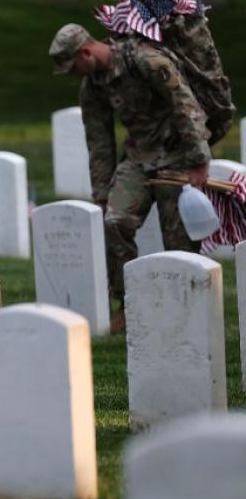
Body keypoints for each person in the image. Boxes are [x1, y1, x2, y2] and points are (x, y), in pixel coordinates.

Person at [49, 23, 212, 331]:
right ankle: (129, 304)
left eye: (73, 67)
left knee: (178, 240)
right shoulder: (93, 87)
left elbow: (186, 106)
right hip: (139, 157)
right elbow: (99, 140)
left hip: (177, 154)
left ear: (86, 51)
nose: (74, 74)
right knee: (114, 222)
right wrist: (101, 191)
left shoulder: (146, 61)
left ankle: (185, 310)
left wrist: (198, 160)